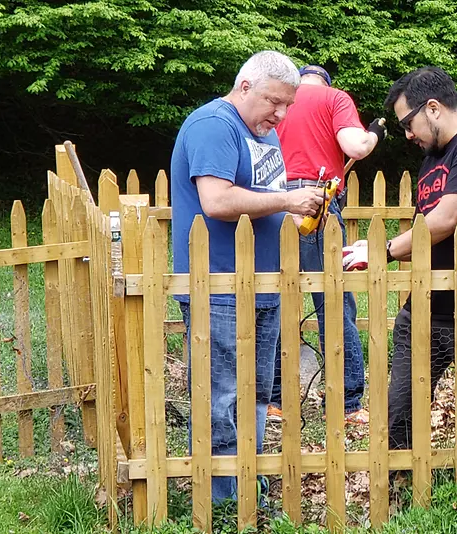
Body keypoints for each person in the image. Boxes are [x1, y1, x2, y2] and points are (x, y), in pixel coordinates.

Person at [171, 50, 324, 503]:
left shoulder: (264, 132)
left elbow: (262, 194)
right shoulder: (214, 125)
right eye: (274, 102)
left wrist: (292, 213)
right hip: (218, 285)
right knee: (220, 396)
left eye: (287, 106)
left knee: (256, 394)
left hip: (262, 285)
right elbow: (216, 200)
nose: (280, 114)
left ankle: (247, 485)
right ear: (244, 87)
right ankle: (221, 501)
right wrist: (287, 202)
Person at [341, 66, 457, 452]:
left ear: (433, 108)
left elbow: (447, 219)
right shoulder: (432, 159)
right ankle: (405, 495)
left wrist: (383, 251)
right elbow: (427, 233)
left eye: (409, 122)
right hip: (424, 309)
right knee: (400, 415)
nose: (407, 134)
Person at [271, 64, 388, 425]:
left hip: (270, 203)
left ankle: (273, 400)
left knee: (272, 298)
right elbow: (355, 146)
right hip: (315, 203)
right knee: (335, 301)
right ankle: (347, 403)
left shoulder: (276, 99)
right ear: (326, 82)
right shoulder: (334, 98)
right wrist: (373, 135)